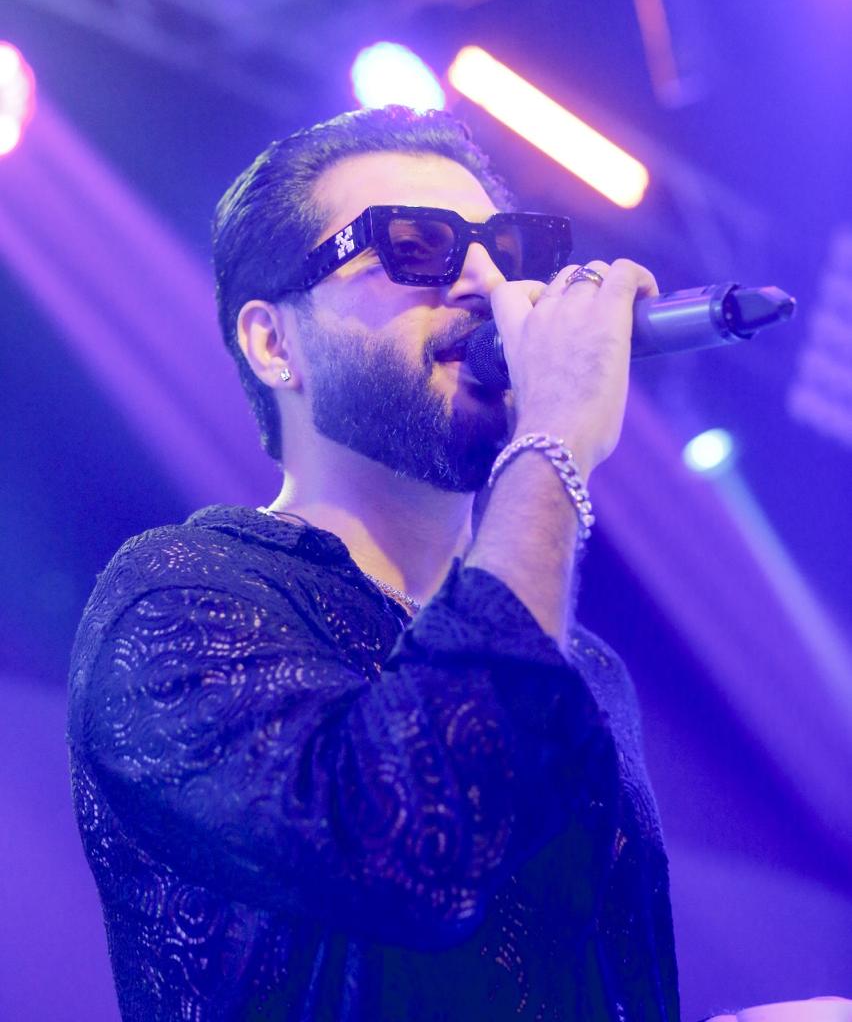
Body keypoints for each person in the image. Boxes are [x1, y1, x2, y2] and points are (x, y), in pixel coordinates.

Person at [66, 106, 848, 1021]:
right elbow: (413, 851)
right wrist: (555, 435)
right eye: (415, 247)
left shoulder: (582, 671)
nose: (484, 281)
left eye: (503, 248)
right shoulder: (177, 596)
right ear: (275, 343)